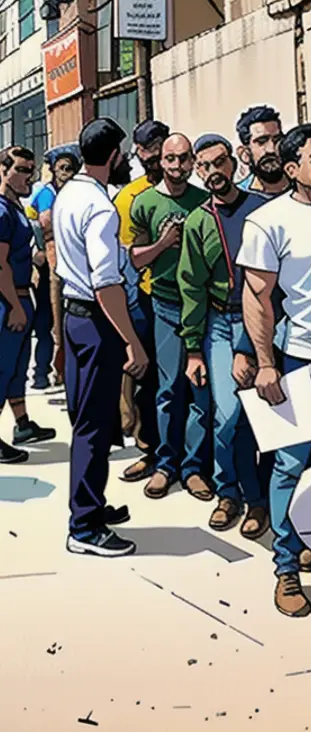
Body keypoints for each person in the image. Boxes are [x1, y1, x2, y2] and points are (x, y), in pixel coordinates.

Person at [238, 121, 311, 616]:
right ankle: (287, 567)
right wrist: (265, 363)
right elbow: (257, 297)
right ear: (291, 169)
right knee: (291, 464)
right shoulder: (269, 221)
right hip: (301, 357)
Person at [54, 118, 149, 556]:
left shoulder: (68, 192)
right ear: (114, 156)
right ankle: (85, 527)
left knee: (92, 419)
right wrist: (131, 339)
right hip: (97, 320)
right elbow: (106, 282)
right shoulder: (101, 207)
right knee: (94, 424)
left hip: (76, 318)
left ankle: (90, 502)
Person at [178, 134, 270, 539]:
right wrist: (194, 349)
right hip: (219, 322)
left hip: (264, 321)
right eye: (205, 166)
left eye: (220, 163)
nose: (213, 172)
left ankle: (264, 500)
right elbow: (191, 287)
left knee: (266, 415)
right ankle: (228, 491)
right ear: (198, 170)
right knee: (227, 415)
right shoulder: (199, 221)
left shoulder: (262, 210)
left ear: (234, 163)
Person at [130, 134, 213, 502]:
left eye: (183, 159)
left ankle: (194, 467)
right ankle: (166, 464)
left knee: (201, 392)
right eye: (170, 159)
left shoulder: (204, 201)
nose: (177, 167)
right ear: (159, 162)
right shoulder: (144, 203)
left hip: (204, 308)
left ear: (193, 161)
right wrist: (163, 244)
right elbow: (134, 259)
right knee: (167, 391)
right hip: (164, 305)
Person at [113, 119, 169, 483]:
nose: (153, 157)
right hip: (144, 300)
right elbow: (127, 255)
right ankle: (150, 450)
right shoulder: (128, 198)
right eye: (147, 151)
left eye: (159, 149)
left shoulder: (191, 191)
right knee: (148, 380)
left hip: (188, 300)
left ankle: (189, 456)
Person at [0, 147, 57, 464]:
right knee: (2, 368)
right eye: (22, 169)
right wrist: (15, 306)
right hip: (8, 300)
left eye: (31, 170)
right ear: (3, 170)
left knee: (17, 369)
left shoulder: (16, 206)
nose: (28, 176)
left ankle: (22, 425)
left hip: (22, 294)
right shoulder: (2, 211)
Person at [27, 147, 77, 390]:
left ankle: (62, 370)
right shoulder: (47, 194)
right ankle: (42, 371)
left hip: (68, 262)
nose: (67, 174)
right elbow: (46, 224)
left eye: (71, 169)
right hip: (50, 264)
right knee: (47, 319)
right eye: (63, 169)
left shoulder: (74, 192)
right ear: (54, 171)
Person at [235, 105, 289, 196]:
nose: (271, 149)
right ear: (245, 153)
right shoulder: (239, 197)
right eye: (261, 142)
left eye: (277, 140)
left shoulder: (303, 189)